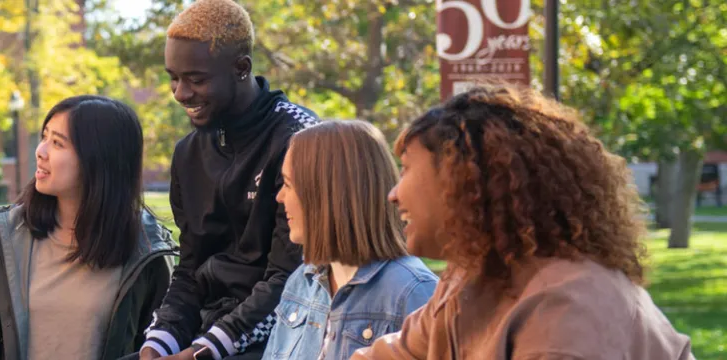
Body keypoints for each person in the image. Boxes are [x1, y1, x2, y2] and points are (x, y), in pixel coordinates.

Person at [353, 86, 694, 359]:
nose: (393, 194)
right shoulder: (470, 277)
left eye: (406, 168)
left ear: (464, 179)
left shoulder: (562, 309)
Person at [139, 0, 321, 359]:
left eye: (196, 79)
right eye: (173, 78)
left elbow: (292, 279)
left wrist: (204, 350)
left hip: (282, 337)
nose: (180, 93)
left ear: (241, 68)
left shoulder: (300, 140)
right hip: (206, 332)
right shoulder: (188, 153)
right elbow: (190, 270)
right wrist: (159, 342)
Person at [0, 96, 177, 360]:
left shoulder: (146, 252)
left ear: (98, 159)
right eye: (45, 137)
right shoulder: (5, 237)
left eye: (57, 143)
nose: (40, 151)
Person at [262, 120, 438, 360]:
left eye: (289, 185)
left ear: (327, 195)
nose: (280, 197)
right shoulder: (303, 282)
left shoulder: (414, 293)